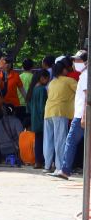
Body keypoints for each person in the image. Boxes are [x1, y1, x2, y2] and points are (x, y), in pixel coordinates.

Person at [43, 61, 77, 175]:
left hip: (48, 111)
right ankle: (59, 167)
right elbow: (82, 91)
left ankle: (47, 165)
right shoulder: (69, 81)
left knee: (48, 140)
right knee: (60, 140)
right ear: (64, 70)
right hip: (60, 111)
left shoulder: (51, 82)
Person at [58, 50, 88, 179]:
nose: (75, 62)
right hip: (82, 114)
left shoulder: (86, 75)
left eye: (78, 60)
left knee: (70, 141)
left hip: (81, 115)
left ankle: (65, 170)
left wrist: (84, 115)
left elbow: (87, 96)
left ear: (85, 61)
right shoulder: (85, 74)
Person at [30, 70, 50, 169]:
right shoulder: (42, 89)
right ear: (42, 78)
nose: (48, 81)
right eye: (47, 78)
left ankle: (37, 161)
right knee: (43, 141)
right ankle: (42, 160)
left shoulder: (34, 89)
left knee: (38, 140)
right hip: (41, 119)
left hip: (34, 119)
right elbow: (43, 106)